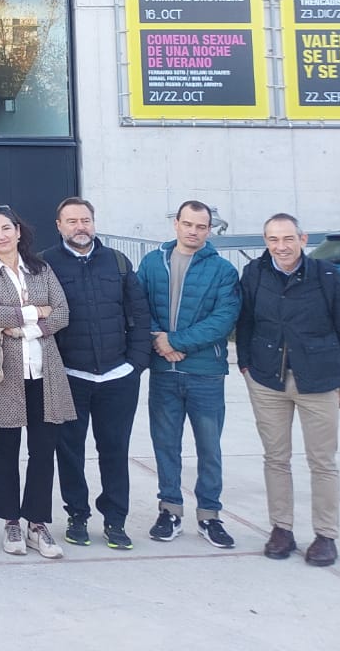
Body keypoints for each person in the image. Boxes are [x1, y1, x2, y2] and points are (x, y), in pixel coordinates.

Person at [236, 213, 340, 567]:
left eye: (288, 239)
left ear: (303, 239)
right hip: (266, 379)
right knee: (276, 458)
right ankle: (282, 529)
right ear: (265, 242)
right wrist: (246, 363)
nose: (281, 247)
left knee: (322, 461)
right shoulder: (255, 274)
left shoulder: (328, 277)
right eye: (273, 240)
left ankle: (325, 535)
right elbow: (245, 322)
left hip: (319, 380)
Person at [0, 205, 75, 561]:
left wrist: (27, 325)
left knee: (43, 451)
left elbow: (62, 311)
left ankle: (37, 523)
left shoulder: (41, 268)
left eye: (6, 228)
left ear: (18, 230)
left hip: (45, 373)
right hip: (4, 375)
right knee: (6, 449)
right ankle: (11, 519)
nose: (1, 235)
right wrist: (36, 311)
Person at [44, 198, 149, 551]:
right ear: (59, 226)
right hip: (70, 376)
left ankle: (115, 521)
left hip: (118, 377)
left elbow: (139, 315)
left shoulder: (117, 262)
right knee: (70, 451)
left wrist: (135, 364)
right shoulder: (45, 264)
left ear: (93, 222)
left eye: (85, 219)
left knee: (115, 450)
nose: (80, 227)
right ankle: (77, 516)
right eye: (71, 221)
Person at [135, 200, 241, 549]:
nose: (194, 231)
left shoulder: (223, 271)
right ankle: (170, 510)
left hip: (205, 374)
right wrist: (160, 343)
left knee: (209, 448)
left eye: (201, 226)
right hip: (164, 373)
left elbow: (223, 319)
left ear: (209, 230)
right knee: (166, 445)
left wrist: (176, 341)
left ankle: (210, 515)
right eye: (188, 224)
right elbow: (138, 306)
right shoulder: (152, 264)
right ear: (176, 224)